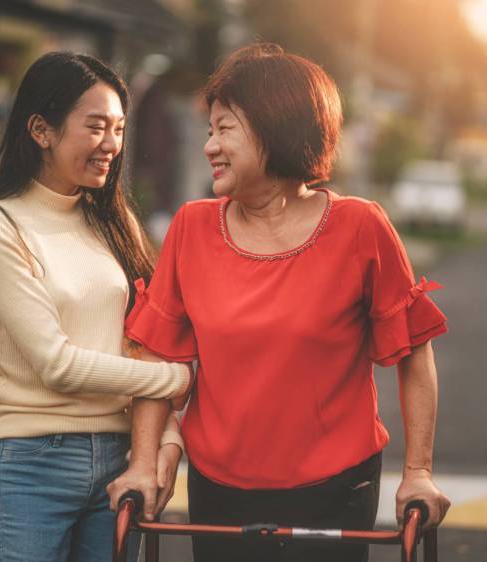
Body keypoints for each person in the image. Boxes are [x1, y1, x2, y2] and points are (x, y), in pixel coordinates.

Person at [121, 43, 452, 562]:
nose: (210, 146)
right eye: (210, 130)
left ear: (277, 126)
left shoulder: (360, 227)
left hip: (336, 490)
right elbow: (157, 356)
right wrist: (143, 463)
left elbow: (413, 354)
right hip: (218, 489)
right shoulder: (191, 228)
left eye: (225, 128)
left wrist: (419, 473)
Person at [0, 52, 189, 562]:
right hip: (32, 465)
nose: (112, 144)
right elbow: (56, 366)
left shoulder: (113, 221)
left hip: (118, 462)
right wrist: (178, 381)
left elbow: (138, 341)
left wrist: (164, 442)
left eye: (120, 129)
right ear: (41, 129)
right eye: (96, 127)